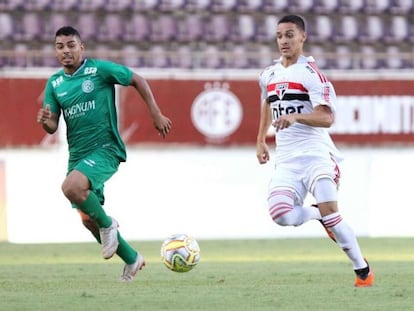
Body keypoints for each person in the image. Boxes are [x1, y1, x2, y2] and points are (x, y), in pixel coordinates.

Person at [36, 26, 172, 282]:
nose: (66, 50)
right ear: (56, 51)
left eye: (71, 45)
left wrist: (155, 112)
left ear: (81, 47)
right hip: (77, 155)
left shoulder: (99, 70)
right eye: (60, 46)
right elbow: (52, 124)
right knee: (88, 219)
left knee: (71, 187)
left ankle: (109, 224)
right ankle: (133, 259)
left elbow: (136, 79)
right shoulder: (54, 83)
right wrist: (44, 120)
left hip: (105, 148)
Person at [256, 15, 374, 287]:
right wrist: (261, 139)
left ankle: (363, 271)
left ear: (303, 37)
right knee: (280, 214)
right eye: (279, 36)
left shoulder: (312, 75)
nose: (283, 41)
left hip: (316, 156)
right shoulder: (268, 74)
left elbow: (327, 117)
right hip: (287, 160)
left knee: (333, 213)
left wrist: (297, 117)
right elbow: (267, 102)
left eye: (289, 35)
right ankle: (316, 214)